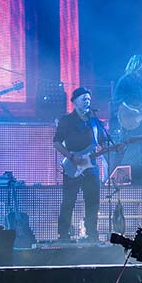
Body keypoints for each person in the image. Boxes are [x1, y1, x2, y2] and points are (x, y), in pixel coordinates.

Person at [54, 87, 110, 242]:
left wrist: (114, 148)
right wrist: (71, 157)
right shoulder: (66, 121)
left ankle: (92, 234)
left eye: (89, 99)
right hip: (72, 165)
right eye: (84, 99)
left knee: (93, 201)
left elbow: (103, 144)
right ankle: (63, 235)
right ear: (74, 102)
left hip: (91, 167)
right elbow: (57, 142)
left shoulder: (94, 121)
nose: (87, 101)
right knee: (68, 201)